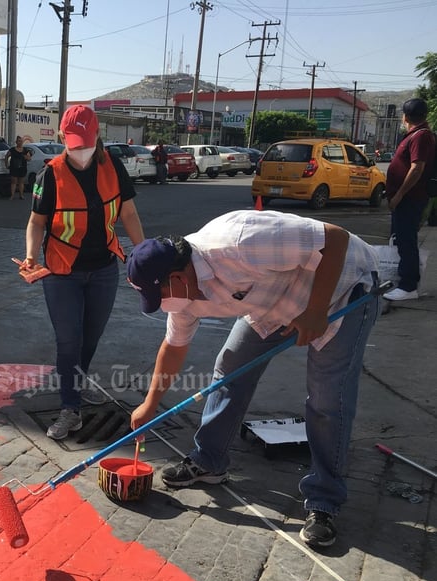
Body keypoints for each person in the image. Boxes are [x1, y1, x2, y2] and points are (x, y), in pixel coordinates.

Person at [126, 210, 380, 548]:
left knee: (326, 397)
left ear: (177, 276)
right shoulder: (182, 297)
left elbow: (335, 239)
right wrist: (149, 406)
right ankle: (209, 460)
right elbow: (173, 348)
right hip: (275, 299)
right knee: (229, 370)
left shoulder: (239, 241)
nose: (163, 306)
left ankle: (324, 500)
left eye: (160, 296)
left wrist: (316, 311)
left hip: (343, 287)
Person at [21, 105, 145, 439]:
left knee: (90, 337)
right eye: (73, 143)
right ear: (63, 138)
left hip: (103, 269)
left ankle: (76, 384)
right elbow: (37, 222)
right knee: (68, 339)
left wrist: (144, 252)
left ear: (97, 137)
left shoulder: (112, 167)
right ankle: (69, 408)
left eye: (85, 143)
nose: (80, 150)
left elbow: (129, 215)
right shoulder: (52, 173)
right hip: (63, 271)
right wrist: (32, 255)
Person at [384, 98, 436, 301]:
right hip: (408, 198)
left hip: (410, 198)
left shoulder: (420, 137)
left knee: (406, 241)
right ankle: (403, 280)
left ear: (404, 117)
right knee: (402, 240)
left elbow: (417, 168)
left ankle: (408, 286)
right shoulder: (418, 135)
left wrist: (399, 194)